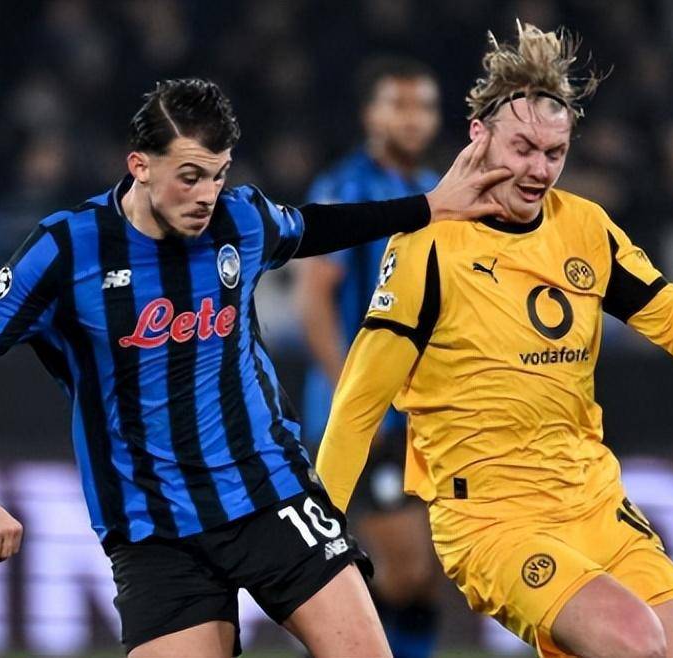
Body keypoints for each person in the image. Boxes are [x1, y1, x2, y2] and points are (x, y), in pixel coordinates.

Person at [0, 77, 510, 658]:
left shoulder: (241, 220)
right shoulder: (67, 248)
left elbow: (318, 226)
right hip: (153, 530)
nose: (207, 194)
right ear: (140, 165)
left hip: (270, 494)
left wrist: (429, 207)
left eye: (218, 174)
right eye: (190, 176)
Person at [315, 22, 673, 658]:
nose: (539, 170)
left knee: (672, 652)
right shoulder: (428, 248)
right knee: (634, 641)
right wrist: (318, 535)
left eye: (554, 152)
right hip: (493, 517)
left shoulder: (586, 228)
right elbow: (358, 401)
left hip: (592, 499)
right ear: (479, 135)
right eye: (523, 148)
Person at [296, 56, 444, 658]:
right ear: (369, 114)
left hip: (419, 413)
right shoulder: (343, 189)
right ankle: (335, 639)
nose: (412, 118)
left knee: (420, 579)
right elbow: (313, 302)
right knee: (403, 570)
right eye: (397, 104)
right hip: (363, 415)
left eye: (423, 106)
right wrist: (354, 395)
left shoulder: (437, 189)